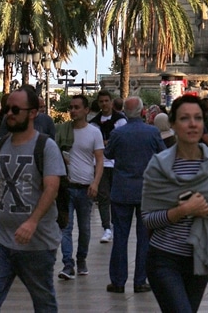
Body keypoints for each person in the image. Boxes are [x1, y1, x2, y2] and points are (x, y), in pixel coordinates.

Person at [142, 94, 208, 313]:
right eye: (185, 118)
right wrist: (182, 211)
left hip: (200, 258)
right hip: (164, 258)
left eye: (198, 118)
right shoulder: (158, 166)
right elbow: (148, 219)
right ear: (174, 124)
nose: (193, 124)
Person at [0, 86, 66, 312]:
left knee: (43, 301)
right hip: (0, 240)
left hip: (37, 243)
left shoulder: (45, 146)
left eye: (16, 109)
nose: (9, 114)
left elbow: (51, 189)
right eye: (7, 108)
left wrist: (32, 221)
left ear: (33, 113)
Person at [105, 96, 165, 294]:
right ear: (142, 111)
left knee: (120, 238)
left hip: (121, 191)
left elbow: (108, 154)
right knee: (144, 238)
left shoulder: (118, 133)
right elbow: (162, 154)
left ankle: (118, 281)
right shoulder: (152, 132)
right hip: (146, 192)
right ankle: (140, 280)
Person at [58, 94, 103, 281]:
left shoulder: (94, 132)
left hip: (86, 187)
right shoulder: (62, 131)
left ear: (86, 110)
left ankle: (81, 258)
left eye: (77, 107)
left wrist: (95, 183)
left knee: (84, 228)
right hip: (67, 187)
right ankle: (68, 264)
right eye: (71, 107)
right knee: (65, 227)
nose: (73, 111)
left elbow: (100, 159)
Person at [90, 89, 126, 243]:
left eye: (106, 101)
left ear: (111, 102)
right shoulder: (94, 123)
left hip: (117, 164)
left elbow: (121, 141)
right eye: (101, 101)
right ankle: (106, 228)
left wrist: (105, 143)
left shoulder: (121, 120)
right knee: (103, 196)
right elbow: (95, 143)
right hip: (101, 163)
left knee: (117, 197)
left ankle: (116, 225)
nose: (104, 104)